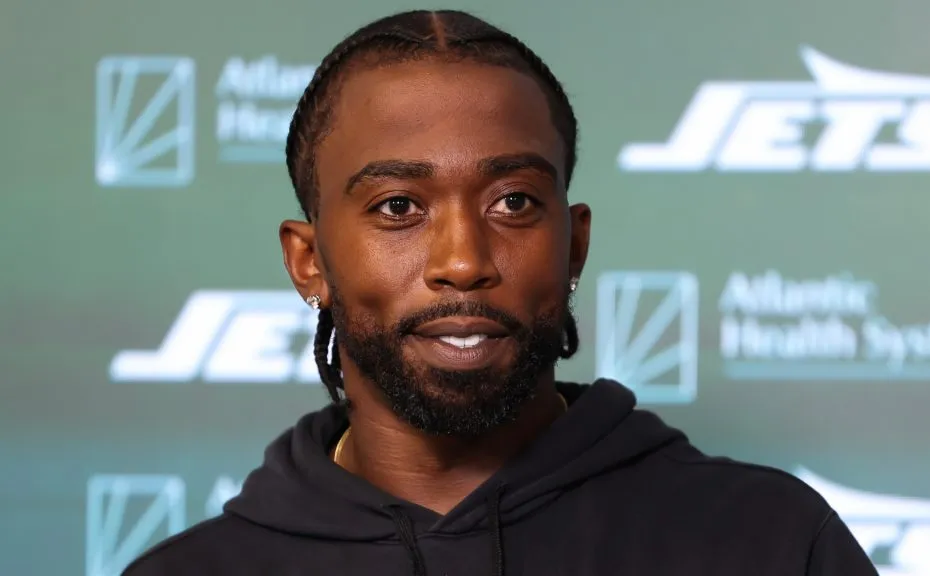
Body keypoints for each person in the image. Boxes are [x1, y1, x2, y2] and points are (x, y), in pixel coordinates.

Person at [123, 9, 878, 576]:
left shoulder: (767, 543)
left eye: (513, 202)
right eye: (398, 207)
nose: (462, 261)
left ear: (573, 243)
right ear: (308, 261)